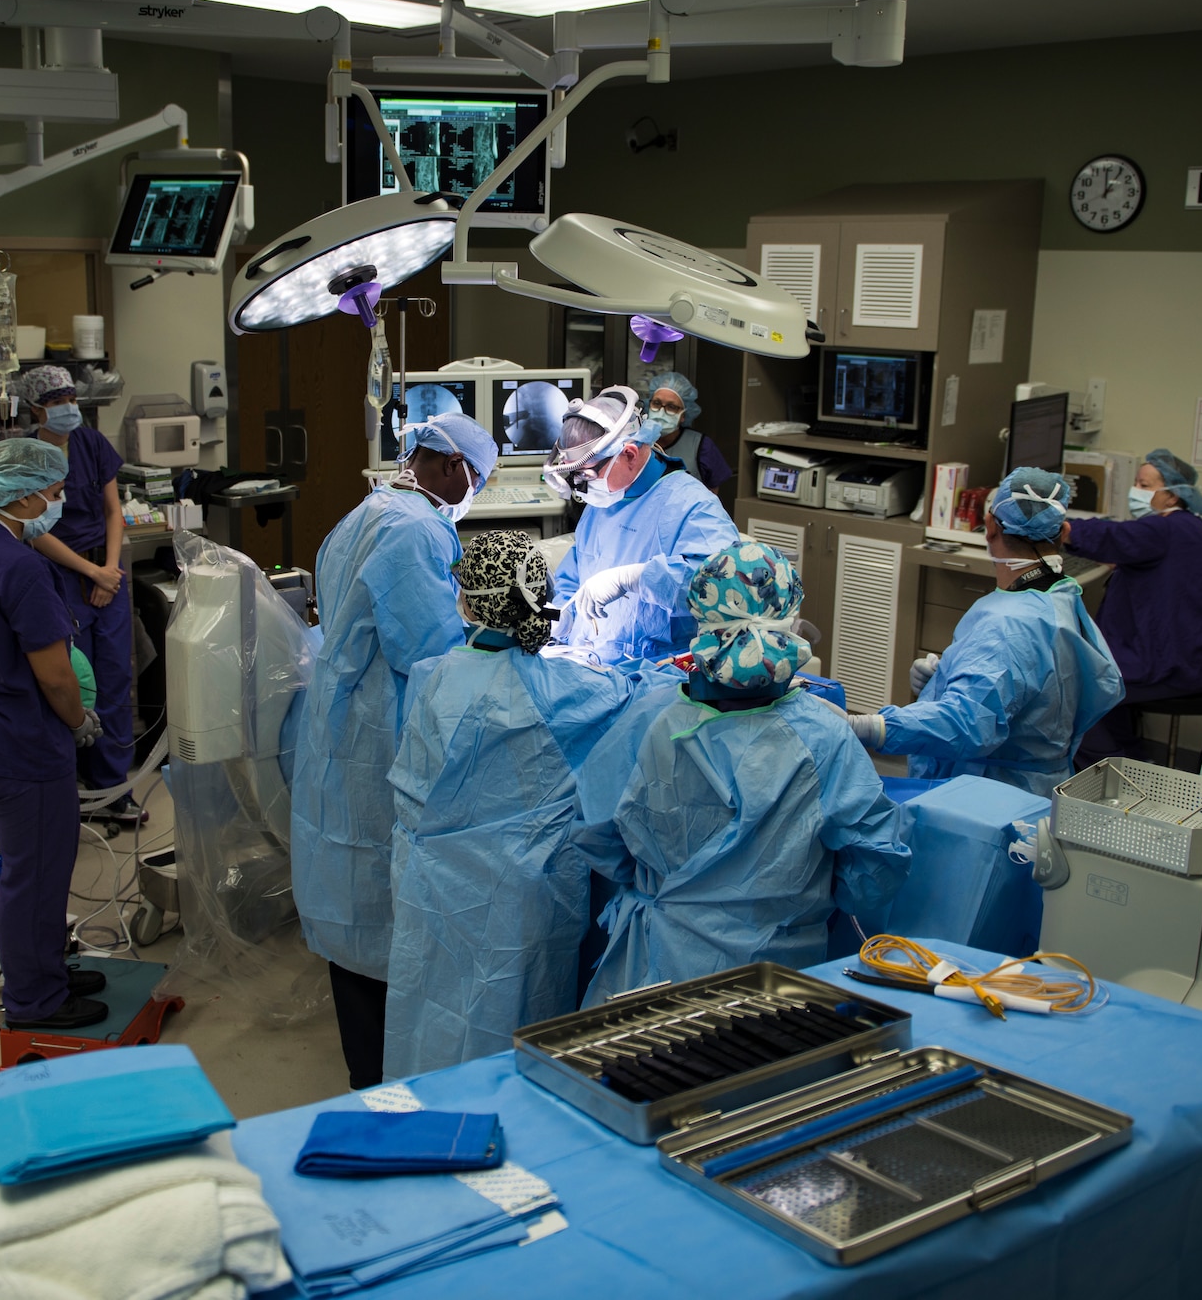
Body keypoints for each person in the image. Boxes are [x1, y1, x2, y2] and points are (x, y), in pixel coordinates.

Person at [572, 541, 910, 1004]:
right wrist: (795, 896)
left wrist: (665, 887)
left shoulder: (649, 721)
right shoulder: (824, 735)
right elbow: (875, 866)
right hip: (776, 978)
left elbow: (596, 830)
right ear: (787, 625)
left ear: (702, 622)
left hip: (655, 967)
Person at [290, 412, 499, 1089]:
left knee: (352, 906)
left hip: (339, 728)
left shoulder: (366, 513)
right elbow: (430, 652)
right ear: (445, 465)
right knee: (378, 909)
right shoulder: (415, 530)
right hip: (379, 735)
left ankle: (367, 1070)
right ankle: (383, 1084)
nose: (472, 492)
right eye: (476, 478)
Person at [383, 530, 637, 1080]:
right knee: (515, 1028)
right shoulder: (565, 688)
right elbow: (633, 694)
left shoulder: (430, 679)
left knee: (429, 1016)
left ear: (469, 603)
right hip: (521, 894)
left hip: (432, 889)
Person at [0, 439, 107, 1030]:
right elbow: (56, 677)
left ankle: (47, 972)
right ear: (24, 493)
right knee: (33, 877)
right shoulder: (21, 567)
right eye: (55, 491)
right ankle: (34, 1002)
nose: (59, 500)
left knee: (34, 869)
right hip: (25, 740)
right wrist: (79, 721)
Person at [843, 469, 1124, 797]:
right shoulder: (1060, 596)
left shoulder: (1006, 625)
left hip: (990, 798)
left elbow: (966, 724)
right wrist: (945, 675)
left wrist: (870, 727)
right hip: (1039, 788)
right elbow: (1056, 684)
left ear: (990, 527)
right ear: (1063, 532)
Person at [19, 365, 140, 824]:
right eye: (56, 401)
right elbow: (32, 528)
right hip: (62, 577)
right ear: (36, 409)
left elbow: (113, 510)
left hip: (104, 570)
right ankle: (71, 788)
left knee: (113, 679)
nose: (68, 407)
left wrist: (109, 570)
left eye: (71, 397)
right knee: (72, 684)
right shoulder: (27, 456)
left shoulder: (90, 443)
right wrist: (91, 572)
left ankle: (113, 789)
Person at [543, 386, 739, 665]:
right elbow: (576, 572)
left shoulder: (692, 506)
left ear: (630, 455)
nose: (582, 486)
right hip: (590, 664)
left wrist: (636, 578)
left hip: (657, 678)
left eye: (586, 473)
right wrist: (563, 615)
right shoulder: (604, 501)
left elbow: (724, 588)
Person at [1067, 448, 1202, 765]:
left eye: (1145, 486)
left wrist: (1061, 528)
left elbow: (1112, 535)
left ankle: (1112, 772)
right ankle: (1131, 760)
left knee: (1081, 688)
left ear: (1173, 496)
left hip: (1179, 663)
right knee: (1102, 680)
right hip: (1200, 655)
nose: (1137, 492)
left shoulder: (1165, 529)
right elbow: (1128, 546)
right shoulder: (1188, 527)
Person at [643, 371, 734, 492]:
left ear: (683, 415)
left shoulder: (700, 446)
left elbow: (712, 490)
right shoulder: (637, 440)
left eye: (671, 407)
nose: (661, 412)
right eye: (657, 403)